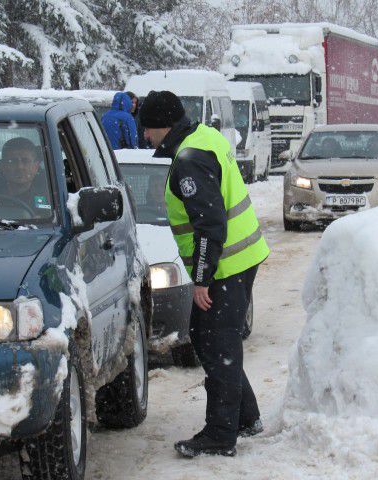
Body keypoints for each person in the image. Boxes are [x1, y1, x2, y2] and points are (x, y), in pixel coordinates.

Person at [139, 90, 270, 458]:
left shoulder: (189, 161)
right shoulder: (204, 136)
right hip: (241, 259)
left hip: (224, 267)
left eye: (148, 128)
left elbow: (210, 224)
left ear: (163, 125)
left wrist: (201, 279)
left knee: (216, 346)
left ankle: (220, 435)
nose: (146, 136)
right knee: (209, 338)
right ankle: (245, 417)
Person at [0, 137, 49, 209]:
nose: (20, 167)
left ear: (36, 167)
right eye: (13, 161)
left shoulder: (52, 200)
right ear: (3, 167)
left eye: (25, 161)